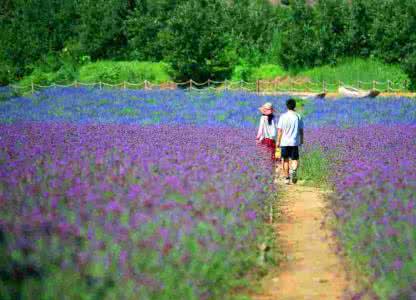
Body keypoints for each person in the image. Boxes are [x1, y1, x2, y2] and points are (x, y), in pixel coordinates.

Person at [276, 98, 304, 184]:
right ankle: (294, 170)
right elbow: (301, 130)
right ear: (294, 106)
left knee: (285, 160)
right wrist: (301, 140)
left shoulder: (283, 116)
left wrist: (278, 141)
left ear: (287, 106)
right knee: (295, 159)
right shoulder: (298, 116)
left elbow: (280, 130)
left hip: (284, 142)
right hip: (294, 142)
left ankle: (287, 178)